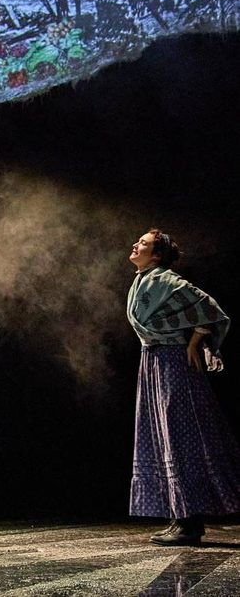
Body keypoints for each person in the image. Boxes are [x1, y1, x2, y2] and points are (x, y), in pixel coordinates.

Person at [127, 229, 240, 546]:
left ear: (157, 255)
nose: (136, 245)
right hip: (153, 359)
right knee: (163, 435)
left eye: (144, 244)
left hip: (173, 360)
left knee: (179, 434)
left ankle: (189, 523)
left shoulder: (164, 278)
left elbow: (207, 307)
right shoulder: (145, 279)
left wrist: (195, 340)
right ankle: (180, 517)